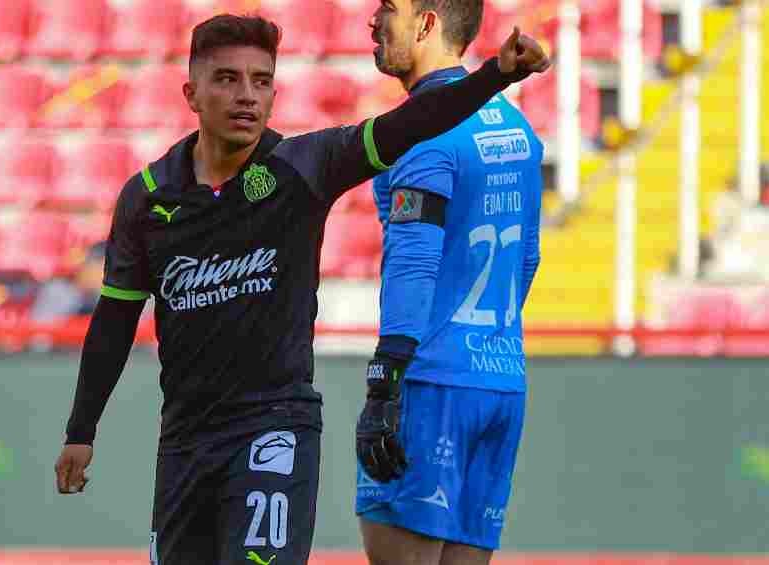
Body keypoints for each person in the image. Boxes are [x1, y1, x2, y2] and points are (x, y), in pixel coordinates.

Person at [54, 12, 548, 565]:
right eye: (228, 79)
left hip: (275, 431)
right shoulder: (146, 198)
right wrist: (82, 429)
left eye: (261, 81)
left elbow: (411, 124)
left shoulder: (304, 167)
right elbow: (116, 319)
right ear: (191, 94)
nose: (247, 96)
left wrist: (494, 76)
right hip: (184, 443)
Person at [353, 2, 545, 564]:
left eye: (389, 9)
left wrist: (384, 381)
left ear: (427, 23)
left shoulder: (425, 135)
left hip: (431, 383)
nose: (373, 21)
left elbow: (414, 260)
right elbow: (529, 256)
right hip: (502, 380)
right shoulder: (518, 128)